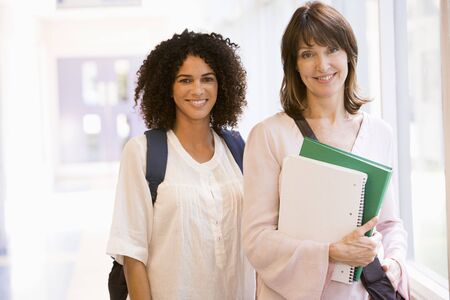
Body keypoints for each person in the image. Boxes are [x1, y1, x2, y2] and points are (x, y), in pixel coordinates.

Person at [242, 1, 409, 299]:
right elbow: (257, 240)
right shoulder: (269, 135)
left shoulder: (379, 133)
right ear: (293, 64)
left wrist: (394, 263)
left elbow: (388, 223)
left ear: (349, 55)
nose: (322, 65)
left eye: (331, 49)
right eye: (308, 54)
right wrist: (330, 253)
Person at [106, 29, 255, 299]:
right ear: (168, 88)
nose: (198, 90)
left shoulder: (236, 148)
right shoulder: (142, 153)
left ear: (222, 84)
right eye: (185, 80)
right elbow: (131, 252)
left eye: (207, 79)